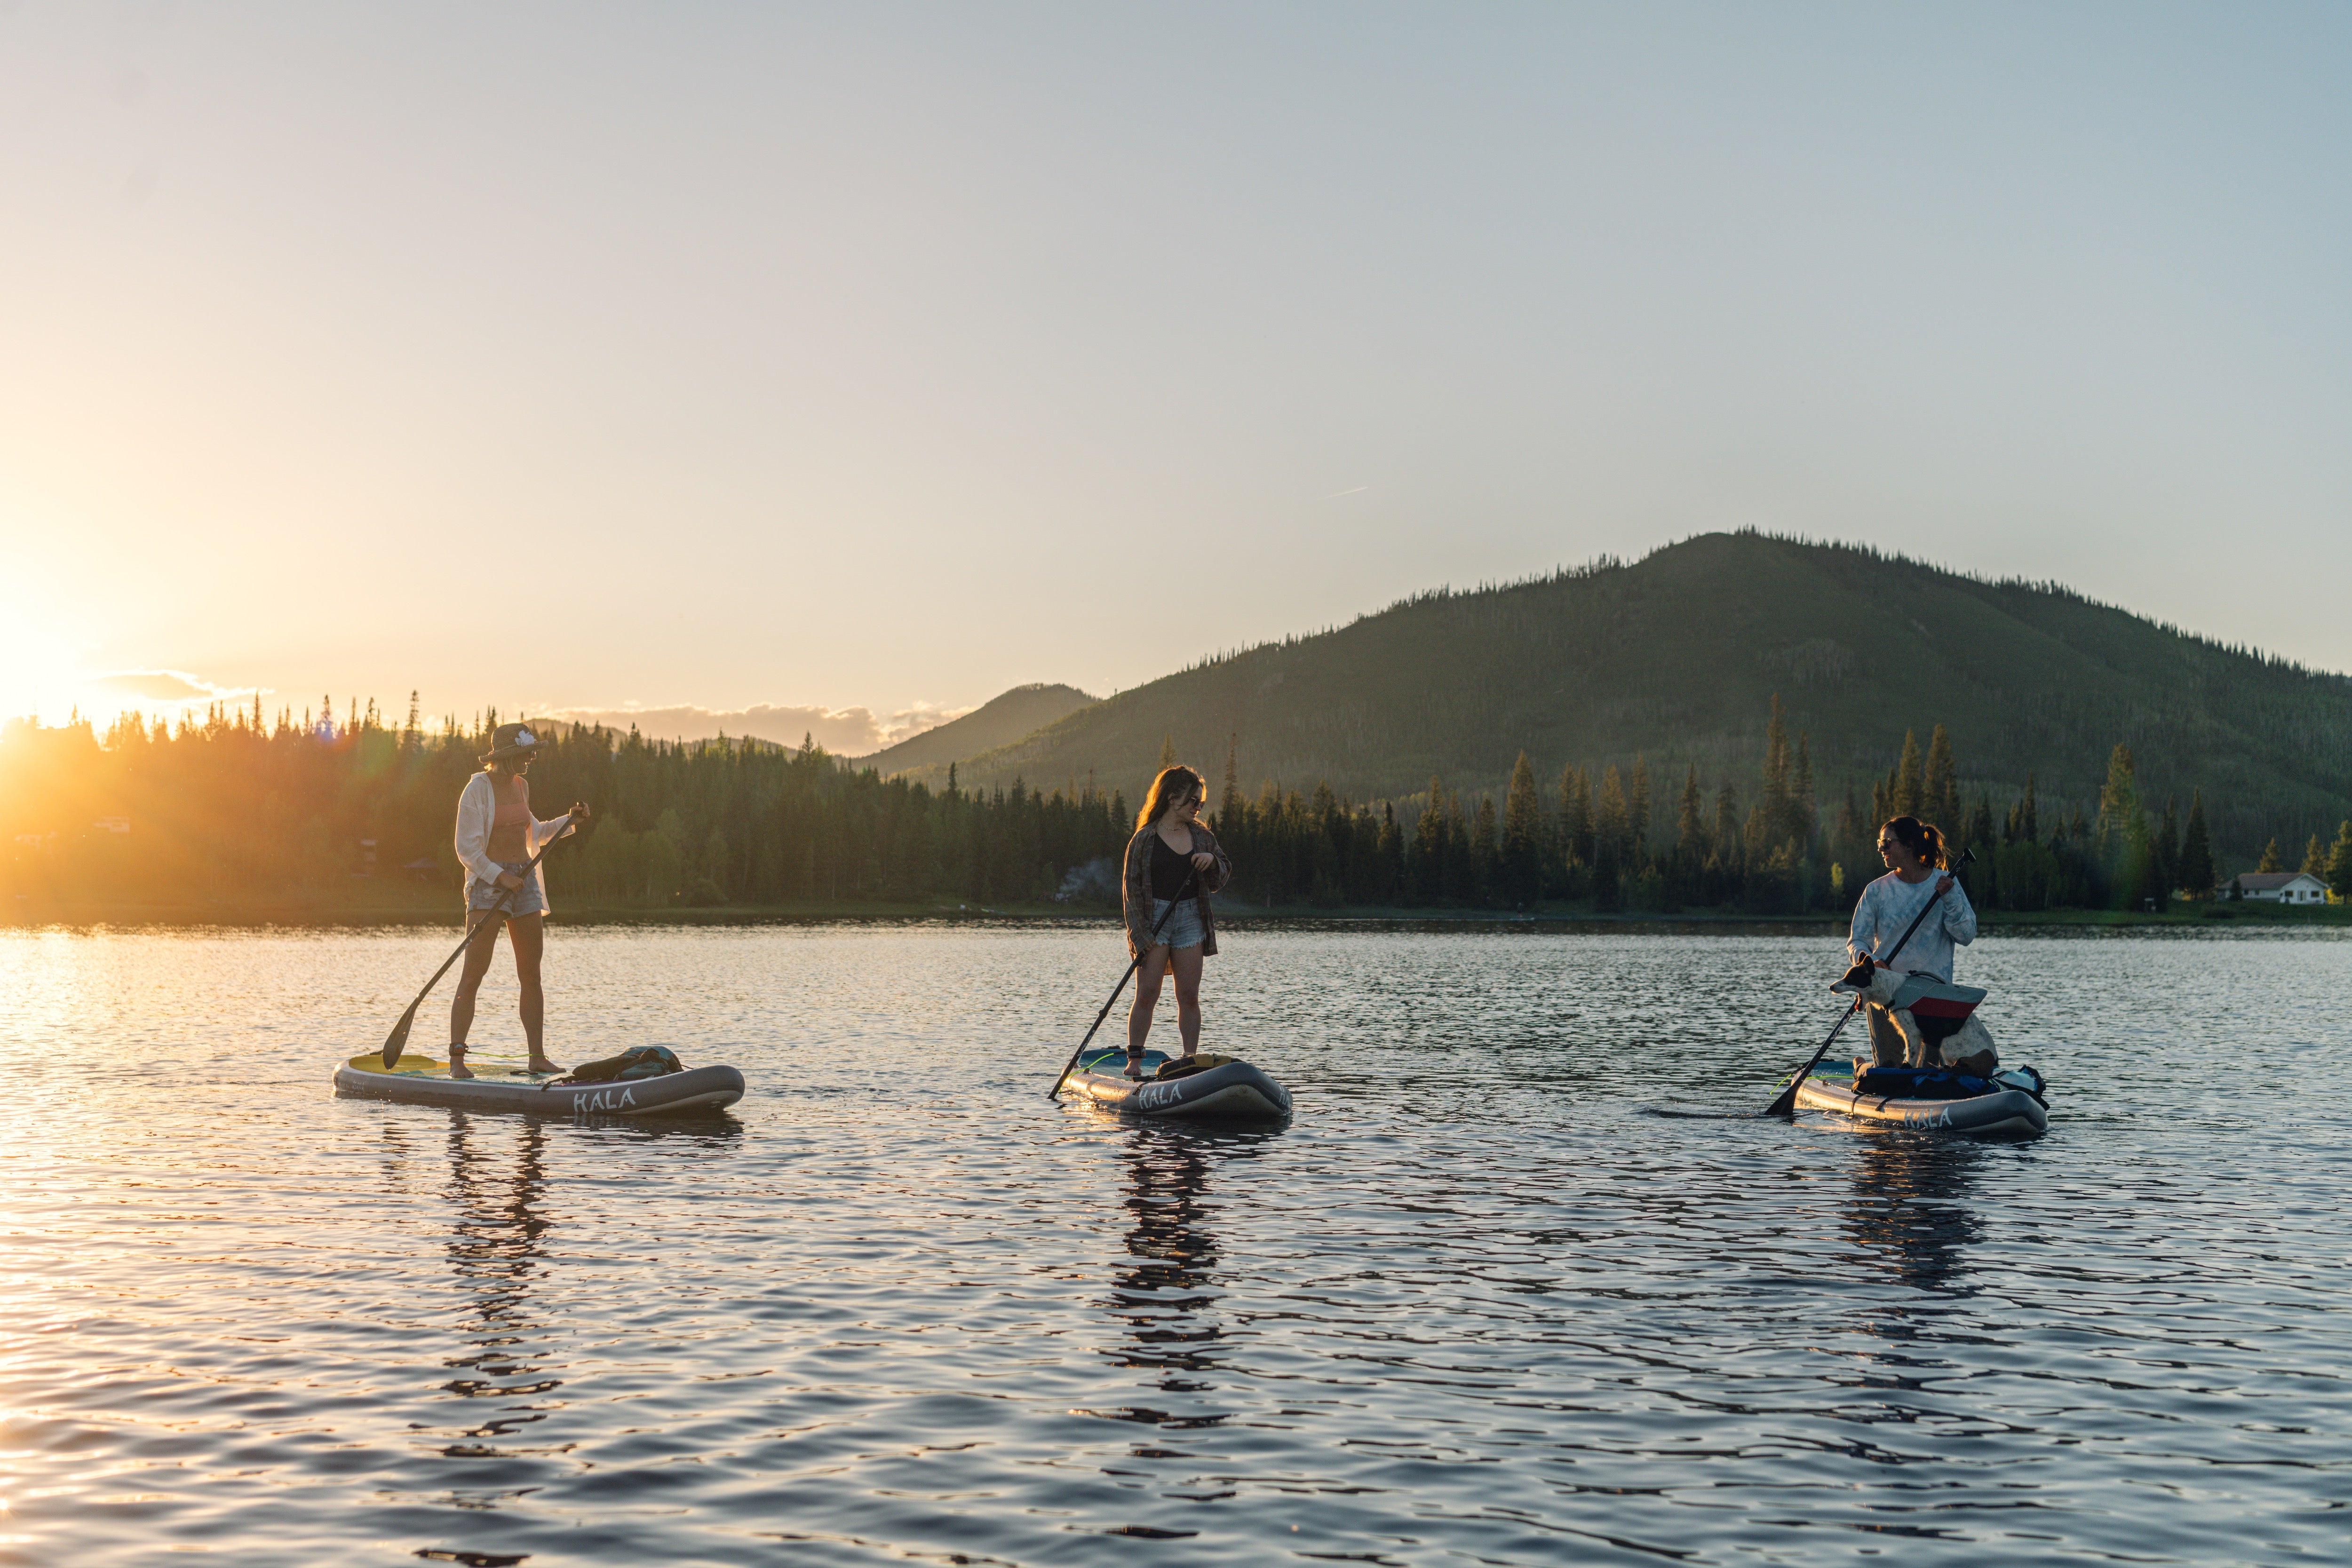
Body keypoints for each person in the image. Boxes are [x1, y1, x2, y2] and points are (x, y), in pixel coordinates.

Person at [449, 722, 589, 1078]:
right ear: (508, 756)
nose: (531, 759)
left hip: (524, 881)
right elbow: (466, 848)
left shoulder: (521, 786)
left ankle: (537, 1057)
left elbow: (534, 835)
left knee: (531, 974)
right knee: (474, 973)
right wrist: (500, 877)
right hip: (488, 884)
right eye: (527, 753)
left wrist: (570, 820)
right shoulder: (476, 789)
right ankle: (457, 1061)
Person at [1120, 764, 1232, 1080]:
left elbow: (1222, 873)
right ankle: (1135, 1061)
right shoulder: (1144, 839)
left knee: (1189, 996)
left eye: (1201, 803)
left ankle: (1189, 1058)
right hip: (1153, 920)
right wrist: (1140, 935)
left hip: (1191, 919)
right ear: (1172, 798)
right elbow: (1130, 891)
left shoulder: (1202, 837)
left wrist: (1212, 861)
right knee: (1147, 993)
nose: (1198, 808)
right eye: (1193, 801)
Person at [1845, 814, 1977, 1068]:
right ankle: (1862, 1067)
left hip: (1933, 995)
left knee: (1929, 1070)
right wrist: (1870, 962)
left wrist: (1950, 899)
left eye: (1887, 843)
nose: (1881, 849)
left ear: (1909, 846)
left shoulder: (1946, 884)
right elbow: (1857, 941)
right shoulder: (1876, 890)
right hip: (1885, 990)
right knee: (1889, 1068)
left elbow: (1966, 935)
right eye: (1880, 843)